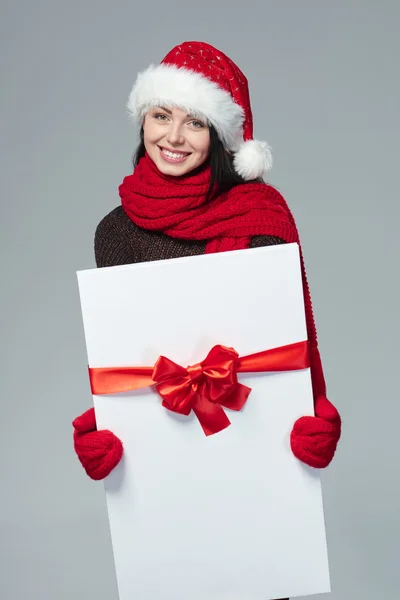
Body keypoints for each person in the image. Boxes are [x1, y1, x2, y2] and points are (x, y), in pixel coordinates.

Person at [72, 41, 342, 600]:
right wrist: (100, 428)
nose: (173, 136)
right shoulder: (113, 232)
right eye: (161, 115)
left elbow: (292, 346)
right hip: (168, 467)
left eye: (195, 122)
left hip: (253, 446)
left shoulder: (263, 216)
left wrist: (316, 409)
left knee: (259, 577)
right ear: (141, 119)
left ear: (221, 137)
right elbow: (126, 359)